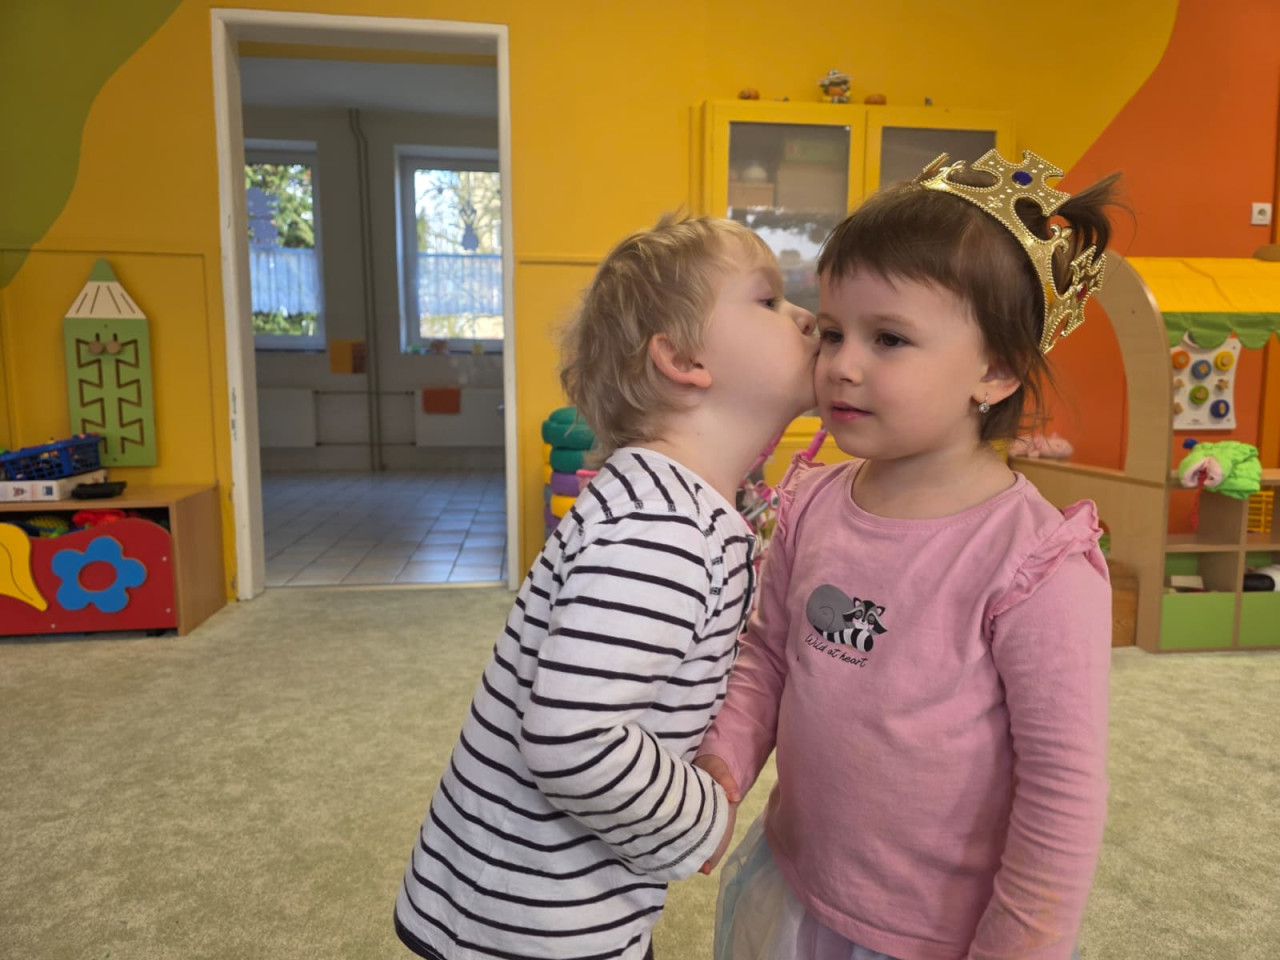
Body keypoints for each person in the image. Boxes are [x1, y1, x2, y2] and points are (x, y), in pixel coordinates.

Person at [695, 151, 1119, 960]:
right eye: (831, 333)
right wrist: (724, 763)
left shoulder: (1038, 564)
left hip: (930, 934)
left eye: (888, 338)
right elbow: (769, 656)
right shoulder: (815, 501)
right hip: (796, 879)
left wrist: (1019, 945)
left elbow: (1062, 790)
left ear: (996, 370)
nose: (841, 365)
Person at [393, 215, 818, 960]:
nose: (807, 317)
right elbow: (571, 738)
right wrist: (704, 817)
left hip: (514, 894)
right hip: (537, 919)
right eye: (769, 300)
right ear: (682, 357)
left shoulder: (661, 500)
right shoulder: (666, 529)